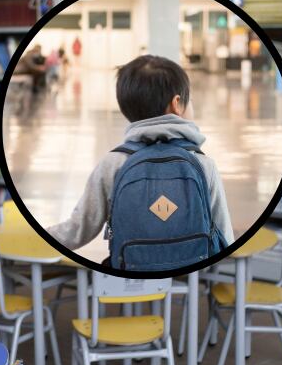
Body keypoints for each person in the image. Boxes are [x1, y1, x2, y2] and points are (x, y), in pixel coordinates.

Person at [48, 55, 234, 268]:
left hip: (131, 268)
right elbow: (223, 233)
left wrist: (35, 237)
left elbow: (79, 229)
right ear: (177, 104)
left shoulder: (113, 163)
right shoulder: (202, 164)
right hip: (189, 274)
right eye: (189, 99)